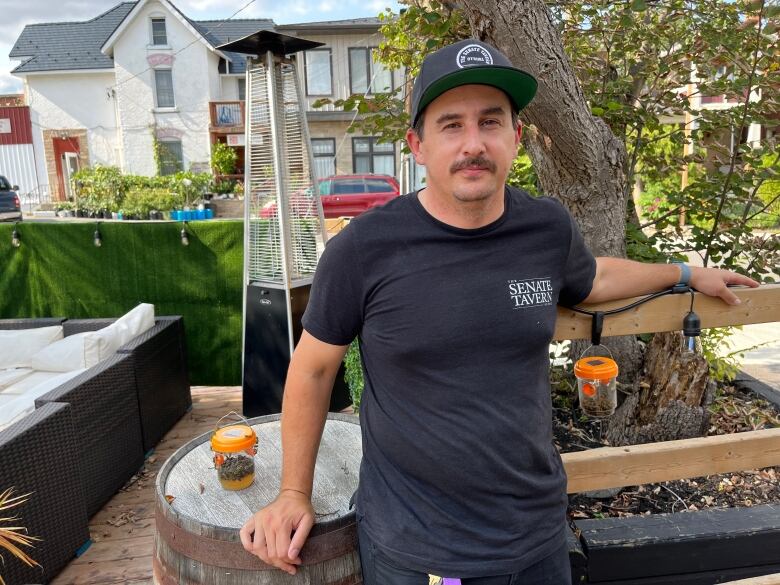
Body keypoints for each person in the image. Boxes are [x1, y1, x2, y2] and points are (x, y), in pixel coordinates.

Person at [239, 39, 759, 583]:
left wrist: (684, 273)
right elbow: (314, 367)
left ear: (515, 137)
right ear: (417, 144)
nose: (474, 144)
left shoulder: (546, 227)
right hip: (415, 545)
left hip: (534, 535)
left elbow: (593, 278)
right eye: (451, 125)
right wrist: (293, 493)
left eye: (491, 122)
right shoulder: (365, 248)